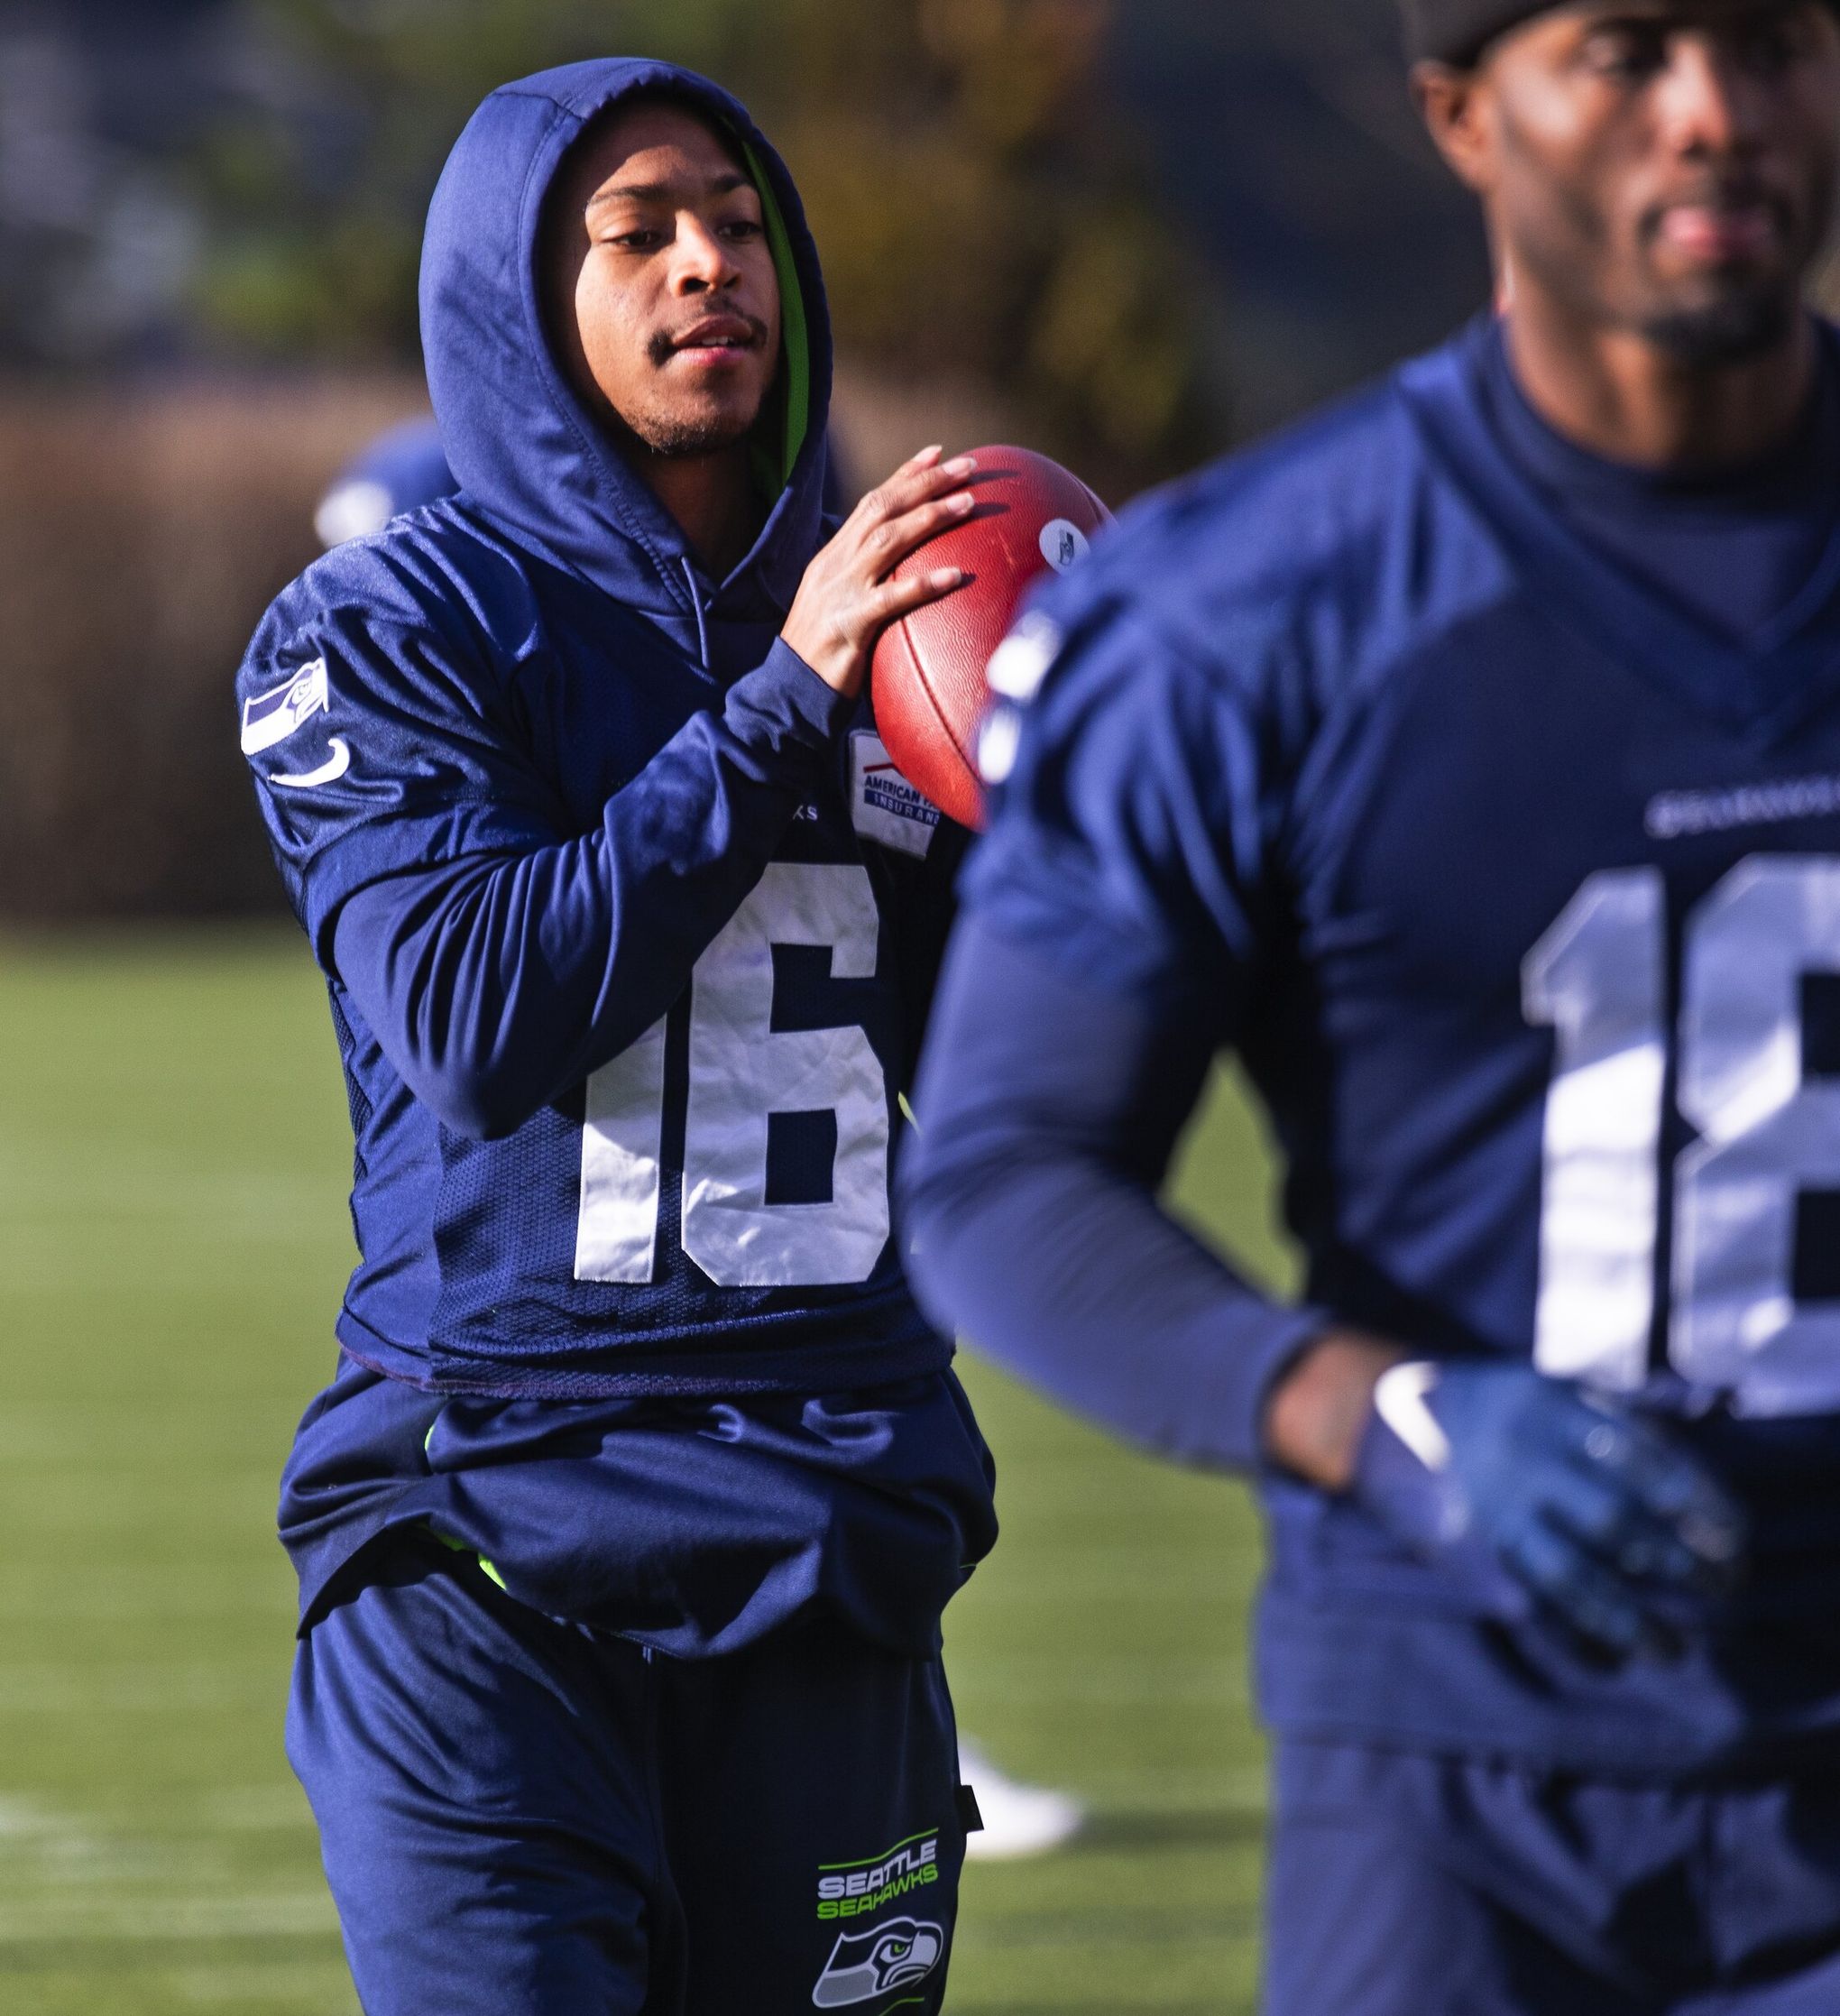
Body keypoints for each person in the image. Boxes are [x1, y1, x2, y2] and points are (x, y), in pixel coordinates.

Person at [901, 2, 1840, 2010]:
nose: (1715, 117)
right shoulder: (1255, 611)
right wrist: (1369, 1405)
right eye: (1631, 51)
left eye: (1772, 42)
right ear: (1463, 118)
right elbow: (1007, 1172)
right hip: (1462, 1763)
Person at [237, 59, 1003, 2016]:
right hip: (494, 1530)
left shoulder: (915, 599)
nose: (706, 265)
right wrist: (784, 702)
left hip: (833, 1526)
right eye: (638, 232)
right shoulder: (392, 626)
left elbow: (1032, 1073)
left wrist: (1106, 806)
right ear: (516, 290)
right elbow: (483, 1010)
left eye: (740, 223)